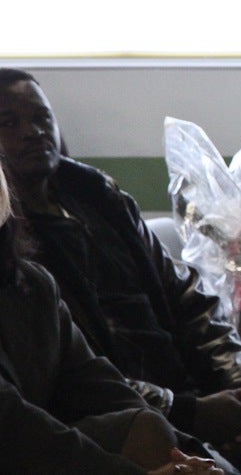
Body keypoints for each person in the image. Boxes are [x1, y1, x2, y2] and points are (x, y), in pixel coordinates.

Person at [0, 68, 241, 475]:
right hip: (135, 427)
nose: (33, 132)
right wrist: (193, 418)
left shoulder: (101, 201)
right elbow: (53, 415)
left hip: (192, 408)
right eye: (8, 123)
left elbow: (188, 301)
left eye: (42, 117)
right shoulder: (27, 261)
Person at [0, 162, 223, 474]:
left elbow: (97, 382)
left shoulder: (31, 283)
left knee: (146, 426)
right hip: (23, 454)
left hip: (50, 449)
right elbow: (17, 431)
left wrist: (185, 452)